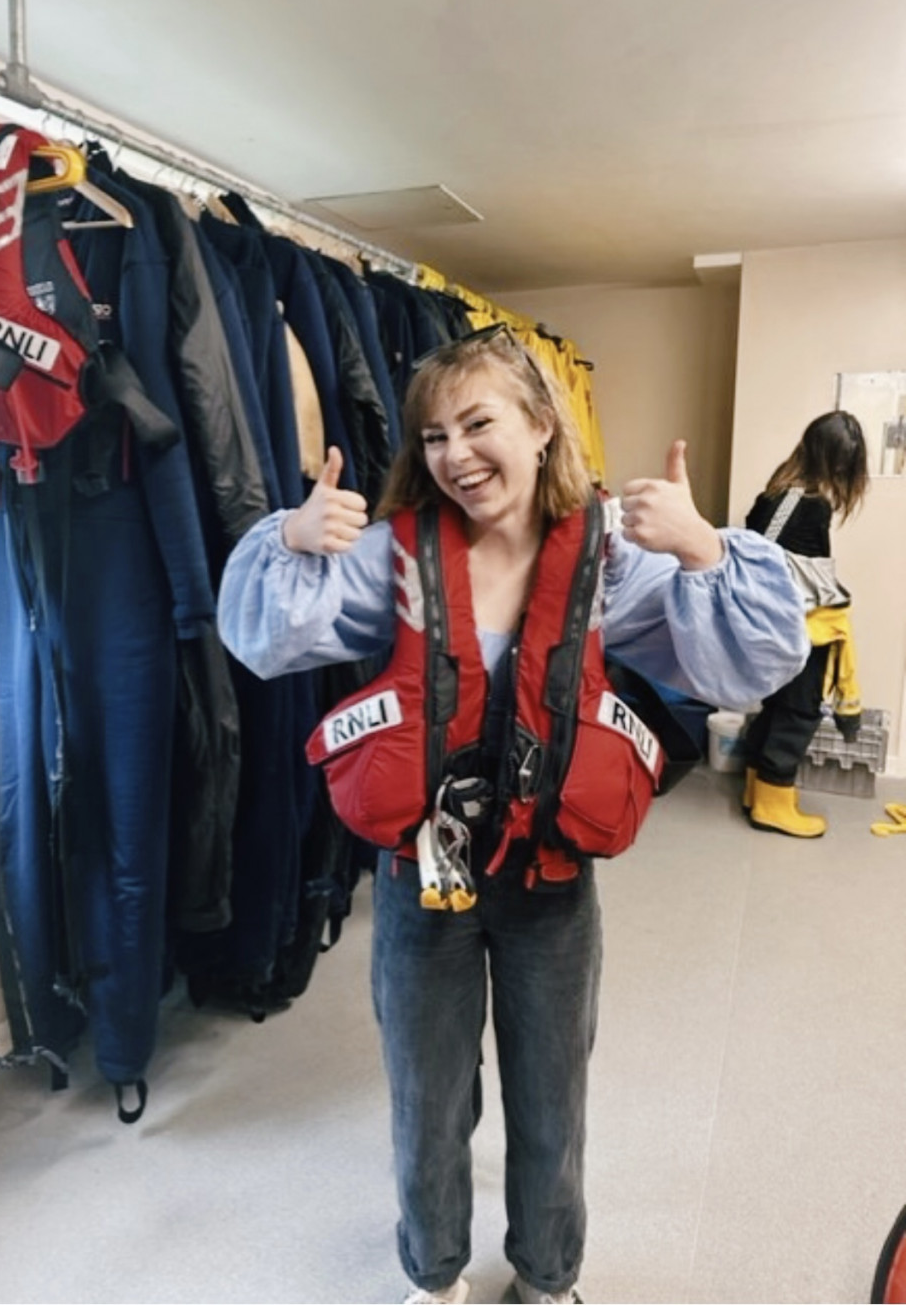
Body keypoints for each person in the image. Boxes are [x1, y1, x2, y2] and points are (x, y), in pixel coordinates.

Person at [216, 325, 808, 1305]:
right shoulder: (394, 556)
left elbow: (749, 662)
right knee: (426, 1098)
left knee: (550, 1100)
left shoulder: (613, 558)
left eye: (478, 422)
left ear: (541, 425)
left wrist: (704, 547)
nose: (454, 453)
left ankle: (545, 1276)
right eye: (434, 434)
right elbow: (264, 634)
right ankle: (434, 1272)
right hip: (422, 883)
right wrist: (287, 535)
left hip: (552, 889)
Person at [742, 409, 869, 838]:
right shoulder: (810, 504)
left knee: (777, 703)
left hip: (766, 619)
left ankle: (756, 788)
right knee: (799, 707)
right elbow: (809, 574)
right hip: (794, 622)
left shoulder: (776, 493)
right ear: (834, 462)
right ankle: (772, 802)